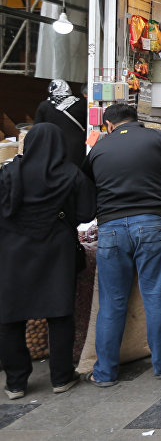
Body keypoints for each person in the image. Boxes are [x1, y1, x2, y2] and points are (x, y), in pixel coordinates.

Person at [82, 103, 161, 387]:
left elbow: (86, 186)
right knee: (156, 295)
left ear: (108, 125)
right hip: (153, 223)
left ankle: (105, 373)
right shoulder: (160, 139)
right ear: (136, 120)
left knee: (111, 303)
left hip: (111, 227)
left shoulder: (99, 149)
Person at [0, 124, 95, 399]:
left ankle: (16, 383)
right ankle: (61, 377)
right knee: (59, 314)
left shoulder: (9, 173)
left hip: (13, 253)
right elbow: (88, 211)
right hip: (56, 252)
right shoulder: (71, 174)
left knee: (10, 316)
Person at [34, 79, 87, 167]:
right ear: (67, 89)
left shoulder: (44, 106)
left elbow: (38, 130)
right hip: (76, 147)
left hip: (52, 145)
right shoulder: (81, 103)